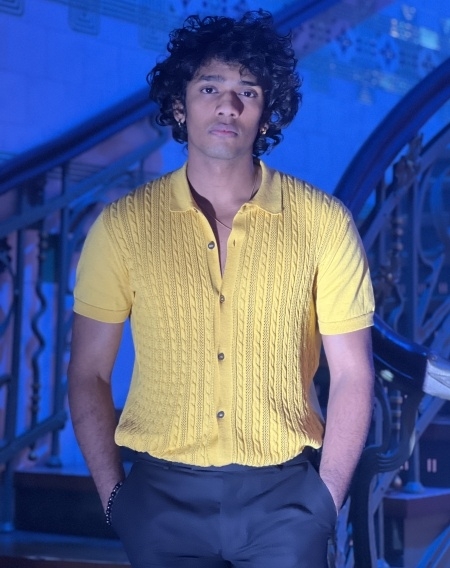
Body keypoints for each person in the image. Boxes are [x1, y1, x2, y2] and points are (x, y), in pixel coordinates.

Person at [68, 10, 375, 568]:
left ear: (266, 111)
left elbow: (354, 374)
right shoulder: (123, 226)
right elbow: (88, 372)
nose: (228, 106)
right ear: (179, 105)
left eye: (247, 91)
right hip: (159, 502)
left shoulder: (324, 223)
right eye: (210, 87)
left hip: (286, 503)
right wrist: (117, 500)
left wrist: (325, 502)